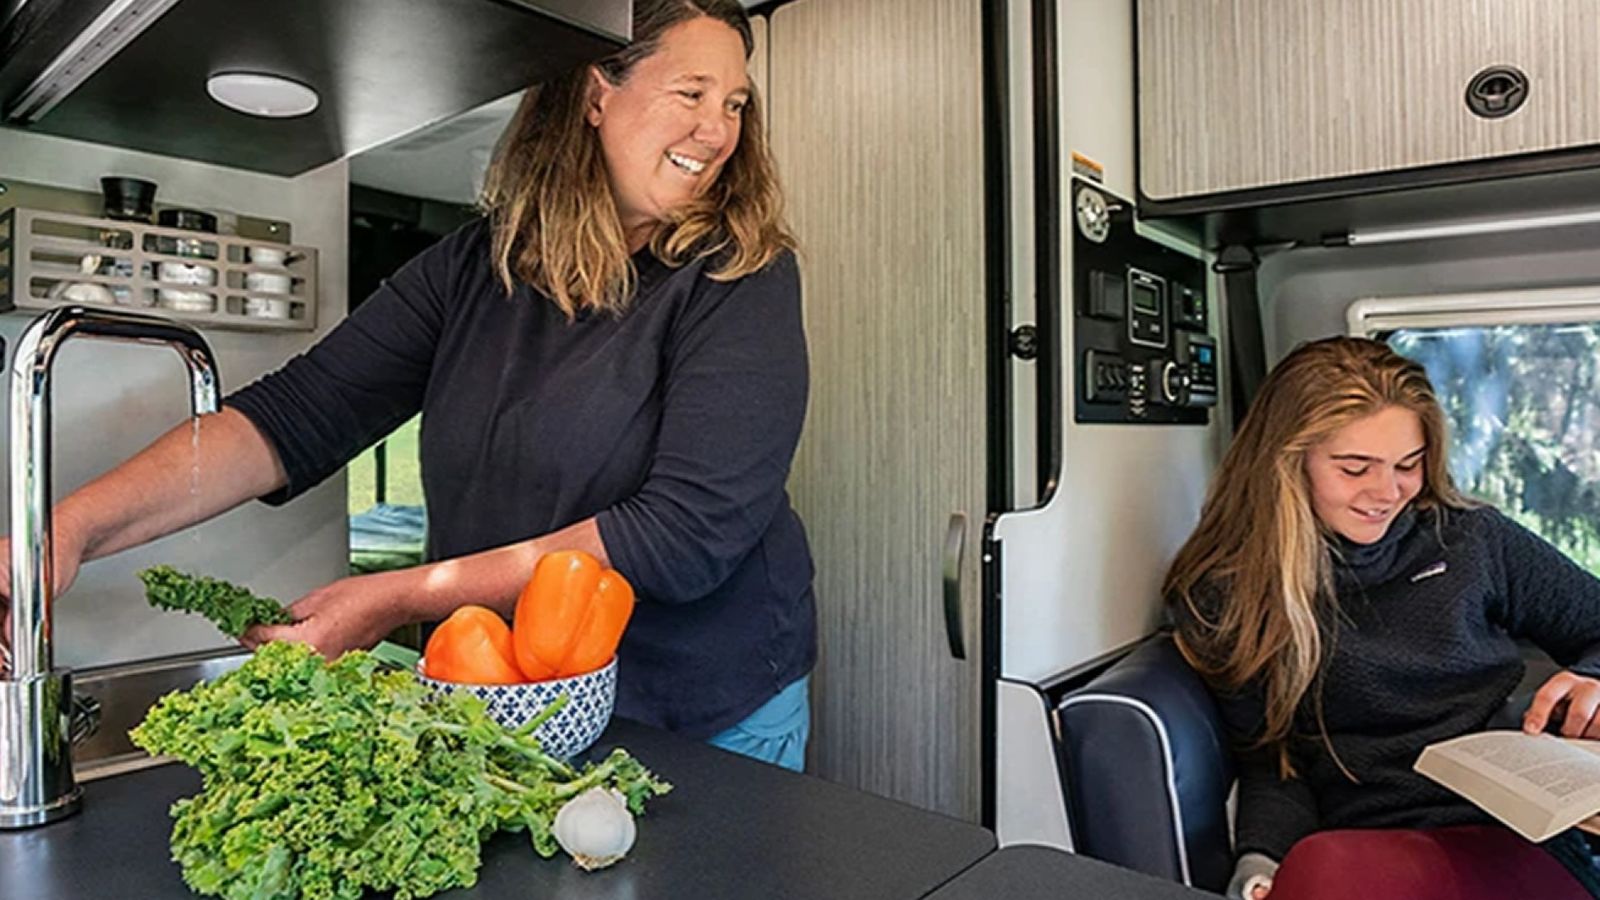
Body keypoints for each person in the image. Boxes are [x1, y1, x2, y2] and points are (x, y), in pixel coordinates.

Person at [0, 0, 816, 770]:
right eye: (692, 94)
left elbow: (685, 533)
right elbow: (295, 416)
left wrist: (395, 596)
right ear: (597, 92)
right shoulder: (474, 268)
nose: (718, 131)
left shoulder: (739, 276)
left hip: (697, 701)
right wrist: (66, 530)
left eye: (735, 105)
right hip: (501, 697)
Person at [1164, 336, 1600, 899]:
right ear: (1286, 462)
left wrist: (1591, 678)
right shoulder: (1228, 594)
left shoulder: (1473, 539)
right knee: (1323, 868)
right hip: (1369, 845)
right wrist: (1260, 865)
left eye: (1408, 465)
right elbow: (1275, 764)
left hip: (1521, 831)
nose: (1387, 492)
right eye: (1355, 468)